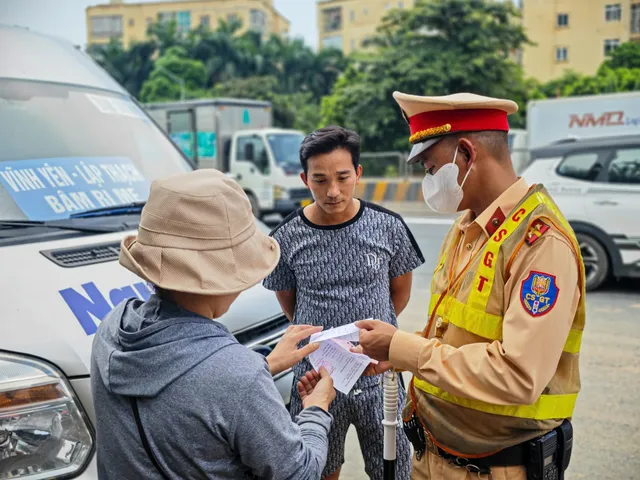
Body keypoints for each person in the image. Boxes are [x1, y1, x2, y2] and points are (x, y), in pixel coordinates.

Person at [357, 92, 586, 479]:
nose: (429, 182)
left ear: (466, 154)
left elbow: (518, 375)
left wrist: (405, 348)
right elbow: (454, 335)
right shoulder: (468, 225)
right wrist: (395, 352)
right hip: (435, 456)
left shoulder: (540, 243)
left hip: (496, 469)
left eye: (431, 169)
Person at [91, 169, 337, 480]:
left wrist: (265, 365)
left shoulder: (111, 328)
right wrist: (316, 409)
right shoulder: (238, 376)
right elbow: (300, 474)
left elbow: (190, 388)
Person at [263, 126, 424, 480]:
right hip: (316, 379)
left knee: (393, 469)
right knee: (317, 467)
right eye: (320, 180)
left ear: (358, 174)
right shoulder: (286, 237)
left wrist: (377, 334)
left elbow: (399, 294)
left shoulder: (388, 227)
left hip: (379, 375)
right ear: (305, 179)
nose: (332, 191)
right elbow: (289, 302)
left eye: (342, 177)